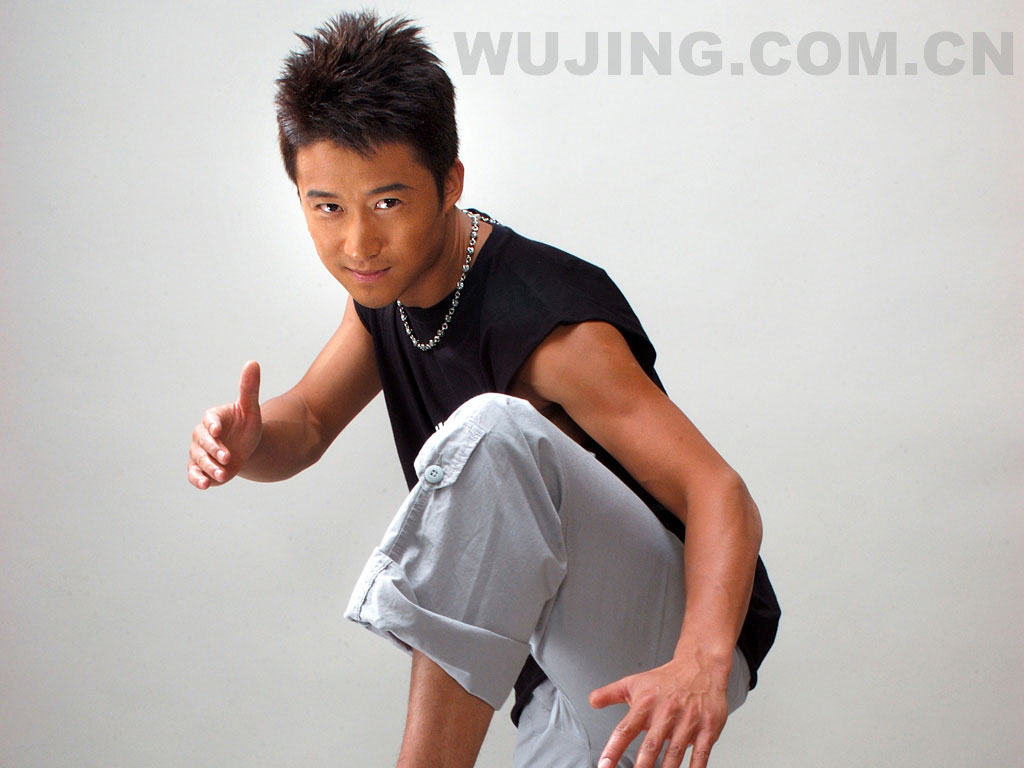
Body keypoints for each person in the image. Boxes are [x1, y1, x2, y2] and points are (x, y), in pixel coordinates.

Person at [186, 11, 779, 768]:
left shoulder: (549, 323)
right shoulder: (385, 293)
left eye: (388, 203)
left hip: (679, 633)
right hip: (560, 673)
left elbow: (720, 492)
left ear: (450, 183)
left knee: (493, 434)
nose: (358, 242)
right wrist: (248, 442)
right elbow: (304, 421)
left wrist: (698, 666)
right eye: (327, 207)